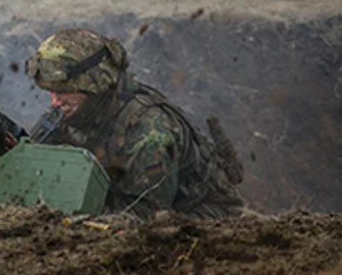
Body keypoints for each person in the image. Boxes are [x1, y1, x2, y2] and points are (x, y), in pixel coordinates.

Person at [25, 28, 245, 219]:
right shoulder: (74, 108)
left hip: (199, 217)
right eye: (51, 91)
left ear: (96, 86)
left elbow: (146, 217)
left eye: (64, 91)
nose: (54, 101)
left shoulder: (149, 132)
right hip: (117, 201)